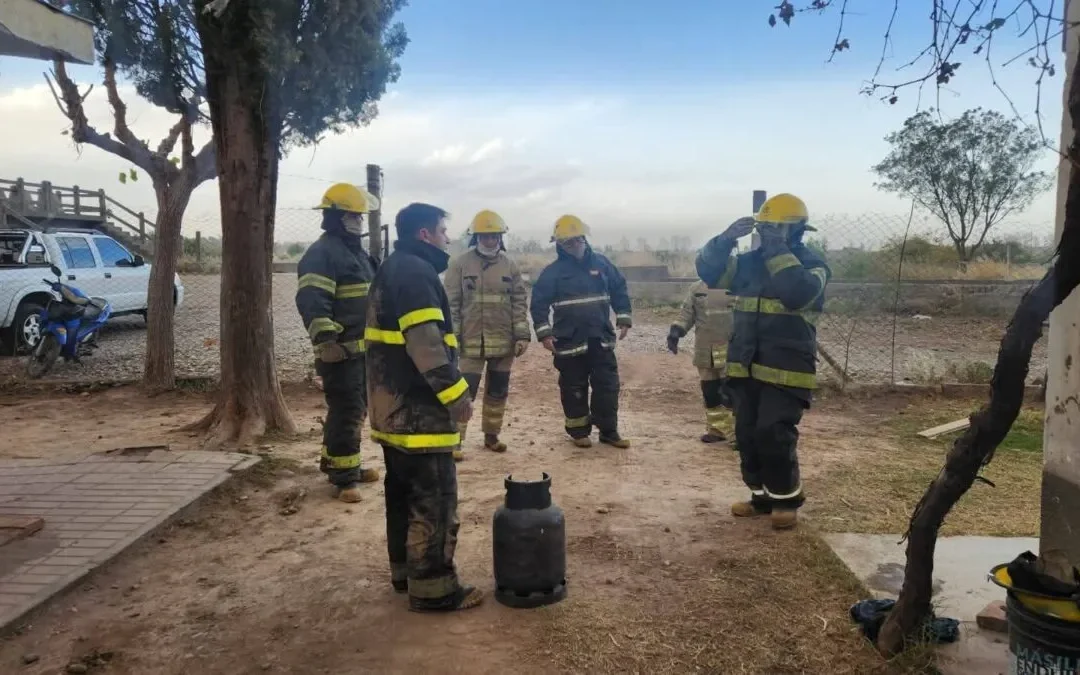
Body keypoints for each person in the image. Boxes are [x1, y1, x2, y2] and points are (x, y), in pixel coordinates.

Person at [365, 202, 483, 611]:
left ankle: (405, 574)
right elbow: (427, 344)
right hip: (419, 416)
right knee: (433, 501)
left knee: (401, 498)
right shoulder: (416, 273)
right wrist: (457, 396)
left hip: (392, 412)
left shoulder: (395, 267)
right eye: (443, 230)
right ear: (424, 234)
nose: (448, 238)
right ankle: (434, 589)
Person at [695, 193, 830, 530]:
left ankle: (785, 500)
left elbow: (795, 292)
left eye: (778, 228)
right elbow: (711, 274)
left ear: (797, 230)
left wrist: (776, 249)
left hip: (787, 368)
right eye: (766, 228)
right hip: (745, 363)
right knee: (747, 433)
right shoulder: (747, 262)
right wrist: (724, 241)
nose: (770, 234)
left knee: (773, 431)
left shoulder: (813, 265)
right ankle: (761, 497)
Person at [295, 183, 381, 503]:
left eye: (359, 215)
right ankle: (344, 479)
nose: (357, 220)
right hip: (339, 353)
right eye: (351, 215)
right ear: (333, 216)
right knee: (346, 411)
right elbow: (312, 300)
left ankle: (345, 465)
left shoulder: (357, 253)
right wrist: (325, 341)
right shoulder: (321, 254)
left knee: (354, 411)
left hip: (362, 352)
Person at [530, 214, 632, 449]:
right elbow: (538, 304)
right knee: (573, 387)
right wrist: (544, 333)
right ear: (559, 245)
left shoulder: (602, 264)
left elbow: (619, 289)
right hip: (568, 341)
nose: (574, 245)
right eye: (568, 242)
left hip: (600, 338)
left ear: (585, 239)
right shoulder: (552, 272)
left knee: (607, 386)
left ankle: (609, 431)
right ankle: (578, 432)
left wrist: (624, 317)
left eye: (577, 240)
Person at [444, 209, 530, 460]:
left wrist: (522, 335)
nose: (490, 240)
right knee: (464, 392)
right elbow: (451, 304)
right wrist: (452, 336)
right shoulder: (460, 264)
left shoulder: (509, 265)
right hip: (470, 342)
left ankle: (491, 436)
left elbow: (519, 302)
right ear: (476, 237)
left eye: (494, 236)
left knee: (497, 392)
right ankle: (454, 441)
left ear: (500, 237)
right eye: (485, 236)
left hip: (503, 343)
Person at [667, 279, 736, 445]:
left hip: (732, 349)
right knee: (710, 391)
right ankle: (716, 430)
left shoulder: (738, 284)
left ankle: (737, 434)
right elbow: (686, 314)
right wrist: (676, 331)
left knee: (732, 393)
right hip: (705, 350)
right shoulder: (697, 288)